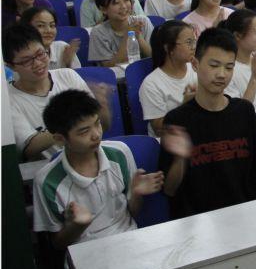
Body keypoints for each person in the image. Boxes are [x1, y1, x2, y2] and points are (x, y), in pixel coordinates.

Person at [158, 28, 256, 219]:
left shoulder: (244, 112)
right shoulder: (178, 120)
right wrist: (181, 158)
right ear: (195, 64)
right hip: (197, 221)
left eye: (229, 67)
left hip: (244, 215)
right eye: (214, 65)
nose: (222, 74)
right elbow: (169, 189)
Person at [32, 89, 163, 247]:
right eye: (84, 131)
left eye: (97, 124)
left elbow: (132, 213)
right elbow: (57, 244)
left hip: (129, 241)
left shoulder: (120, 153)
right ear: (60, 139)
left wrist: (136, 194)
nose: (96, 134)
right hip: (84, 252)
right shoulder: (46, 181)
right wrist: (76, 226)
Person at [3, 24, 104, 161]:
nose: (38, 63)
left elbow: (95, 120)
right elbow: (30, 147)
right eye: (26, 61)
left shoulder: (68, 76)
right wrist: (73, 124)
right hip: (50, 166)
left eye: (40, 54)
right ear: (10, 66)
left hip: (91, 155)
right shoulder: (8, 99)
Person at [140, 21, 198, 138]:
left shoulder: (196, 69)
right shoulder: (151, 84)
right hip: (171, 142)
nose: (194, 47)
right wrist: (186, 105)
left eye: (194, 41)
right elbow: (159, 130)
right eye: (189, 42)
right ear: (168, 48)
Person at [88, 0, 153, 67]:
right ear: (103, 9)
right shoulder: (98, 32)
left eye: (126, 0)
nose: (123, 6)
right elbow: (108, 66)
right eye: (116, 3)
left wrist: (138, 36)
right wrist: (128, 37)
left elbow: (154, 57)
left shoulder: (143, 21)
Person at [20, 6, 79, 70]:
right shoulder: (20, 55)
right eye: (40, 25)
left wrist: (68, 63)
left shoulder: (62, 48)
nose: (48, 31)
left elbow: (78, 78)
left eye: (52, 25)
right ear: (26, 28)